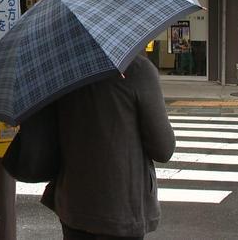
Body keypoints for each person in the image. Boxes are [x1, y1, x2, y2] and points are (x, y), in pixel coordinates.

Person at [42, 54, 175, 240]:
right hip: (122, 207)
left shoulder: (63, 69)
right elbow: (163, 149)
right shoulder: (136, 69)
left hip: (73, 203)